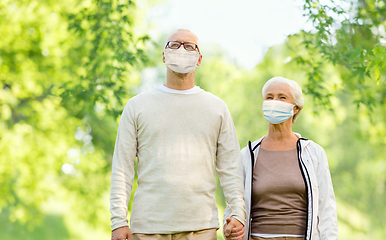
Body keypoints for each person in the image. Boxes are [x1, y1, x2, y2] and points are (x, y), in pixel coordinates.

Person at [110, 29, 247, 240]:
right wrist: (119, 222)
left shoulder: (216, 108)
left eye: (189, 46)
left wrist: (238, 213)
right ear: (164, 55)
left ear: (199, 58)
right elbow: (122, 169)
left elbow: (231, 167)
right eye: (174, 45)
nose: (182, 49)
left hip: (200, 227)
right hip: (148, 227)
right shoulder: (137, 106)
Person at [223, 77, 338, 240]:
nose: (274, 102)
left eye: (281, 97)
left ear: (296, 108)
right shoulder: (247, 155)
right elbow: (234, 204)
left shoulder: (313, 153)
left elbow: (327, 209)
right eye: (269, 97)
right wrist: (229, 228)